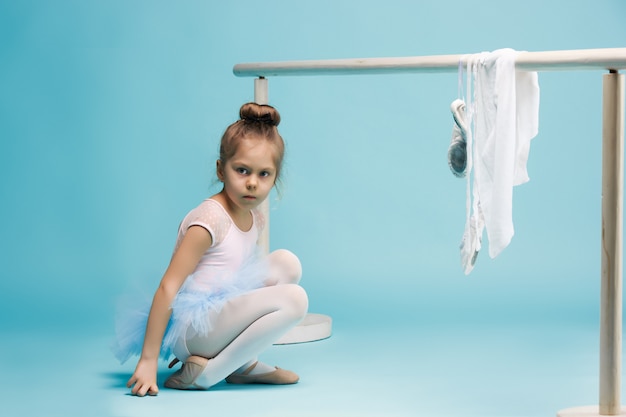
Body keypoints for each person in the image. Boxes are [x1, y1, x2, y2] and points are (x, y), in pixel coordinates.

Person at [112, 102, 309, 396]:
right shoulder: (209, 220)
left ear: (274, 177)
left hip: (221, 316)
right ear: (221, 169)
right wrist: (149, 360)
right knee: (295, 300)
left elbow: (242, 278)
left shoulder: (255, 215)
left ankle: (242, 366)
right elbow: (168, 287)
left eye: (264, 174)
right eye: (242, 170)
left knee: (287, 263)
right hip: (195, 327)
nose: (252, 183)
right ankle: (208, 374)